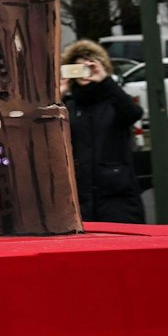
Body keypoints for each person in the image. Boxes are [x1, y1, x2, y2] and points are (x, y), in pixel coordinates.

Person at [63, 40, 146, 225]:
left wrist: (105, 80)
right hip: (81, 197)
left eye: (89, 67)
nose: (84, 73)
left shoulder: (115, 100)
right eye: (78, 68)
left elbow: (133, 114)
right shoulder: (69, 106)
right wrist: (57, 95)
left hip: (117, 196)